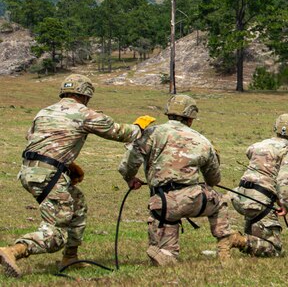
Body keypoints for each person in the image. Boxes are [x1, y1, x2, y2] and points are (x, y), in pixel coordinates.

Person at [0, 74, 154, 278]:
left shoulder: (43, 112)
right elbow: (119, 132)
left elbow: (34, 138)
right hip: (49, 176)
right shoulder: (84, 113)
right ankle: (13, 251)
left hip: (30, 171)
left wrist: (62, 163)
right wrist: (139, 127)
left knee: (77, 203)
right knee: (56, 233)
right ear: (86, 95)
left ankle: (70, 258)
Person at [118, 94, 246, 266]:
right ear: (191, 118)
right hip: (193, 199)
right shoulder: (202, 140)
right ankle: (224, 241)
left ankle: (164, 253)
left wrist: (130, 178)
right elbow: (213, 179)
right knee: (220, 201)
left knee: (168, 246)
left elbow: (129, 162)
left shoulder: (151, 133)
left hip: (162, 204)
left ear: (168, 113)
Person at [231, 113, 288, 257]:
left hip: (240, 196)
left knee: (258, 240)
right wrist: (286, 204)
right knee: (274, 250)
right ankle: (236, 240)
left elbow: (249, 152)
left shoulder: (259, 144)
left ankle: (248, 237)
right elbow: (284, 182)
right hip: (260, 202)